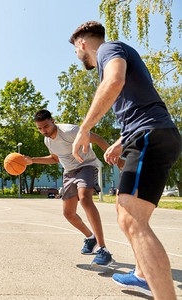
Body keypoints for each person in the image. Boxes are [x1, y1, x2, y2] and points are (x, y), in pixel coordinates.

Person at [70, 21, 181, 298]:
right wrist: (119, 143)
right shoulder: (117, 52)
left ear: (81, 43)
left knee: (132, 219)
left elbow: (115, 80)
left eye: (75, 50)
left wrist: (84, 130)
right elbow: (142, 103)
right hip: (150, 133)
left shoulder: (108, 49)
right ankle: (143, 274)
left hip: (148, 135)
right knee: (127, 213)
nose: (76, 55)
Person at [24, 109, 116, 267]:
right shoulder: (48, 141)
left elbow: (98, 138)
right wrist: (32, 160)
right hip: (69, 172)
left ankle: (103, 249)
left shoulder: (69, 131)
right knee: (68, 213)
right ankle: (90, 238)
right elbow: (54, 159)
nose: (43, 131)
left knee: (85, 199)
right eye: (39, 128)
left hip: (86, 166)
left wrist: (113, 155)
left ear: (53, 121)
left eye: (45, 126)